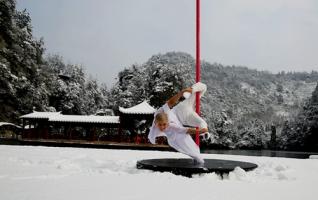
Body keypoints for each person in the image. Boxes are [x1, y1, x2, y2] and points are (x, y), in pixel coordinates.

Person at [148, 82, 209, 164]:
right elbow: (185, 130)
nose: (162, 127)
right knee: (200, 125)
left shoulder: (163, 115)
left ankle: (204, 132)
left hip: (182, 111)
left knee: (203, 87)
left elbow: (171, 102)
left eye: (164, 125)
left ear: (167, 121)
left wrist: (181, 93)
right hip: (185, 115)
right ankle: (203, 132)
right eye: (160, 125)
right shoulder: (165, 125)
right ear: (156, 123)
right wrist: (198, 131)